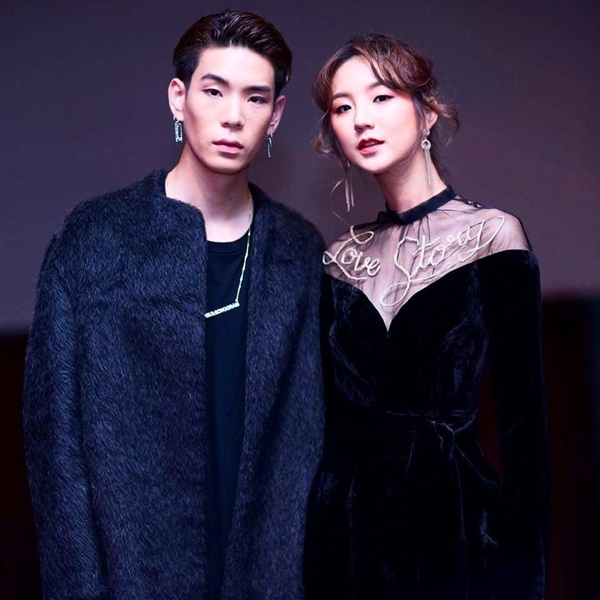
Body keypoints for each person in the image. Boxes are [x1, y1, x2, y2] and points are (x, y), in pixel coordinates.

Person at [23, 10, 324, 600]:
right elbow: (54, 445)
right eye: (214, 91)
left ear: (275, 116)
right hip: (132, 576)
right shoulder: (96, 238)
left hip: (265, 575)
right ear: (178, 98)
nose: (233, 115)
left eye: (255, 98)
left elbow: (311, 442)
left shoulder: (298, 251)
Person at [304, 34, 549, 599]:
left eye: (381, 97)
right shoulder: (337, 260)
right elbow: (322, 427)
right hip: (347, 536)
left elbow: (524, 437)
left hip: (454, 530)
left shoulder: (492, 235)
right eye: (342, 107)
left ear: (428, 113)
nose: (361, 119)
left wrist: (526, 582)